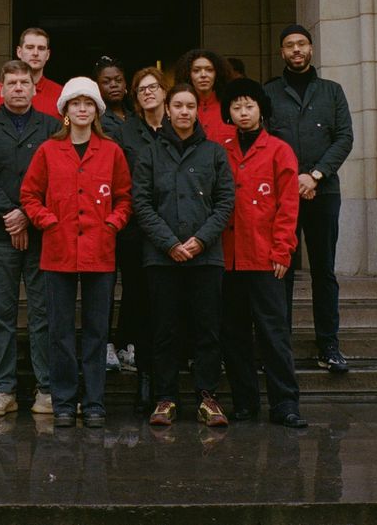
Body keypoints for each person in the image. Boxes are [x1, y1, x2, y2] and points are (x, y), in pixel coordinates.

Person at [21, 77, 133, 429]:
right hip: (58, 250)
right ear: (65, 111)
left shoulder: (111, 151)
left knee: (98, 330)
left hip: (100, 251)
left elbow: (124, 197)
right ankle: (65, 401)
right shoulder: (48, 151)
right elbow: (29, 195)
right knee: (60, 330)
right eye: (75, 103)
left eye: (88, 103)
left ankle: (95, 401)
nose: (82, 109)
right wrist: (47, 220)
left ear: (96, 110)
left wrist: (113, 222)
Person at [132, 82, 235, 428]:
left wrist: (199, 241)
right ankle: (166, 398)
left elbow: (224, 203)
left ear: (197, 110)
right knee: (164, 329)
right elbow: (141, 203)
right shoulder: (150, 153)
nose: (184, 112)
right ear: (168, 108)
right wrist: (170, 243)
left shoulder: (215, 153)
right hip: (162, 258)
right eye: (178, 105)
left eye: (190, 106)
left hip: (205, 257)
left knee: (207, 329)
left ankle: (207, 397)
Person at [0, 61, 60, 418]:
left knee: (42, 312)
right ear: (0, 90)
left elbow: (57, 176)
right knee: (0, 313)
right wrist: (10, 213)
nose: (19, 88)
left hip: (39, 233)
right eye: (12, 83)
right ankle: (3, 389)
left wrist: (27, 215)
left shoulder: (52, 127)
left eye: (25, 82)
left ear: (35, 89)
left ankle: (46, 389)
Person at [264, 24, 354, 373]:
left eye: (302, 44)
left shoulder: (332, 92)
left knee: (323, 270)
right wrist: (293, 182)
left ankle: (328, 345)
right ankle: (278, 345)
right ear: (282, 52)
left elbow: (344, 138)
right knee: (280, 269)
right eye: (289, 45)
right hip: (282, 197)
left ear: (312, 49)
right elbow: (266, 142)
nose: (296, 50)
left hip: (324, 191)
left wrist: (315, 175)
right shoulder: (269, 93)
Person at [218, 77, 307, 428]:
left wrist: (283, 249)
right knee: (234, 333)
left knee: (273, 333)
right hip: (228, 257)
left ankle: (285, 403)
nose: (243, 112)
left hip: (266, 257)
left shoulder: (279, 150)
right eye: (237, 106)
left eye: (249, 106)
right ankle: (245, 402)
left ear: (261, 110)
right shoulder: (219, 148)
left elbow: (288, 205)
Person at [108, 65, 169, 413]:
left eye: (153, 87)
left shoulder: (180, 125)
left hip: (174, 230)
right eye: (141, 89)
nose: (147, 93)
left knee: (168, 305)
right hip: (134, 231)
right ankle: (146, 378)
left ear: (164, 91)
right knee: (140, 299)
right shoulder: (125, 132)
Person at [93, 54, 130, 373]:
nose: (114, 84)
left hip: (132, 210)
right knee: (104, 283)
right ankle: (104, 344)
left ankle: (126, 341)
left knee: (133, 283)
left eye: (118, 79)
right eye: (107, 80)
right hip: (101, 213)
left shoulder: (135, 117)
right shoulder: (94, 120)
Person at [0, 28, 62, 118]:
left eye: (41, 48)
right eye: (30, 47)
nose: (35, 53)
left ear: (47, 55)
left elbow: (68, 129)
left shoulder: (60, 94)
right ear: (19, 52)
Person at [174, 48, 236, 144]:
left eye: (209, 70)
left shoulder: (231, 107)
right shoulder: (178, 110)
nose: (203, 75)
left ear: (217, 74)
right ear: (188, 74)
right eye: (196, 70)